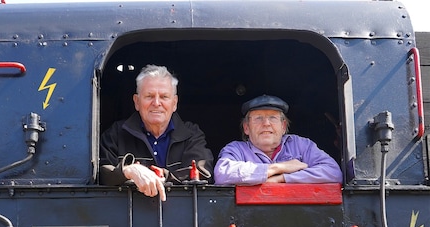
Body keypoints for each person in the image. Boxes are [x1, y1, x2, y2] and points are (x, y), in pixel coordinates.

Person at [99, 65, 214, 201]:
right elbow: (99, 173)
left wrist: (155, 175)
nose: (157, 103)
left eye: (164, 96)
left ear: (174, 103)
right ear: (136, 102)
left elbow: (202, 173)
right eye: (149, 96)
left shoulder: (192, 134)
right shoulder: (116, 133)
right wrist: (128, 171)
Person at [213, 94, 343, 185]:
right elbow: (222, 174)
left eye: (273, 118)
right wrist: (279, 167)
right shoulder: (235, 149)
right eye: (258, 118)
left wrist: (281, 178)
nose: (266, 123)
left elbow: (333, 173)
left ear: (283, 126)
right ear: (246, 128)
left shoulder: (301, 145)